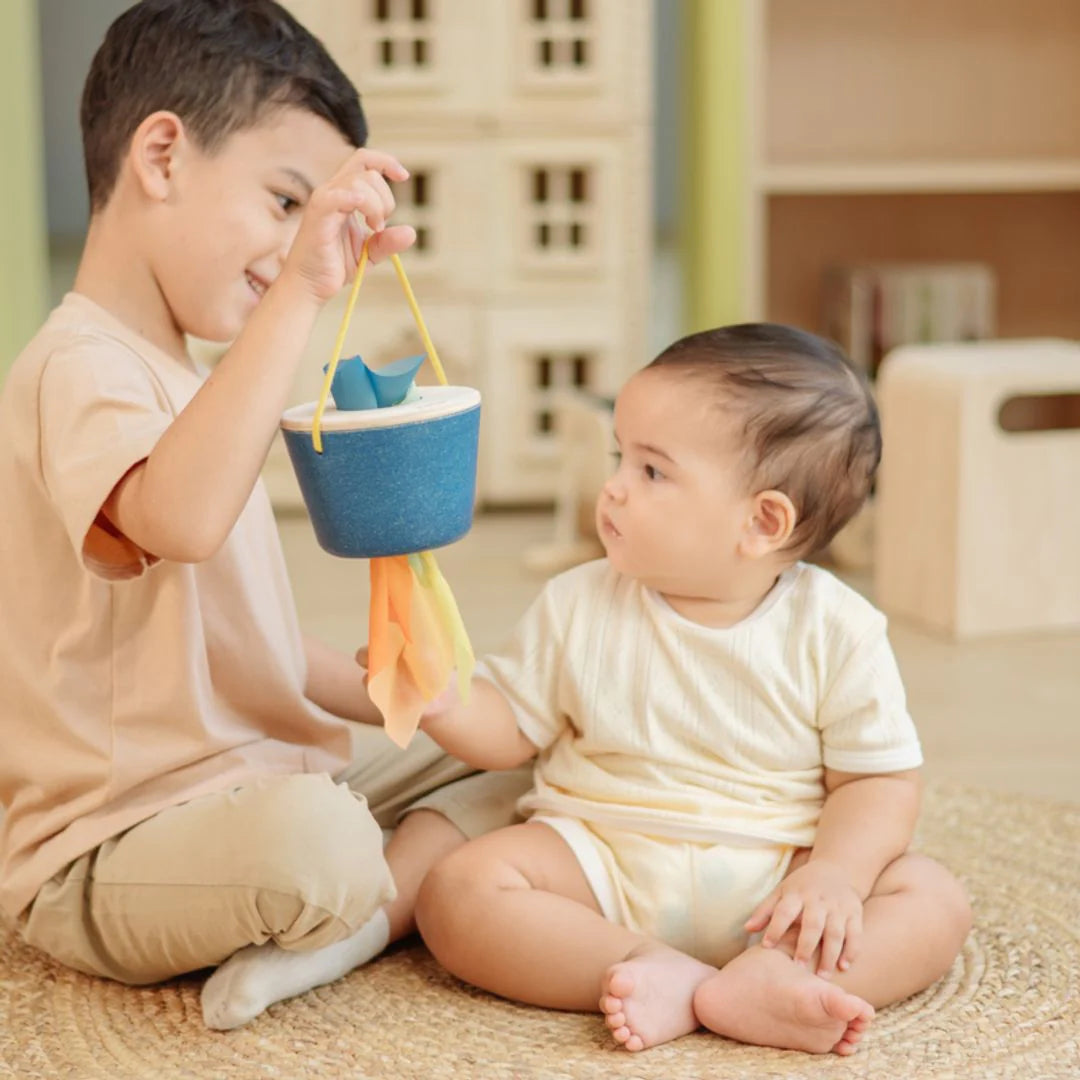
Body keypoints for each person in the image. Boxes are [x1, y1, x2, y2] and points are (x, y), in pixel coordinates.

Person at [0, 0, 528, 1032]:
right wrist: (299, 292)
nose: (295, 246)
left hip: (259, 777)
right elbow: (179, 521)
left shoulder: (196, 381)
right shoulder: (78, 364)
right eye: (284, 200)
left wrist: (408, 696)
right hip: (111, 845)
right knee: (317, 846)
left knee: (525, 751)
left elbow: (261, 652)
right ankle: (365, 896)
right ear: (162, 155)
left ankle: (355, 921)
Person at [405, 324, 973, 1055]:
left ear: (762, 522)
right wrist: (444, 702)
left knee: (932, 900)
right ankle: (642, 965)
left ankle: (772, 974)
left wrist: (834, 873)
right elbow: (511, 729)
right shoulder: (578, 601)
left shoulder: (837, 627)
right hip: (601, 854)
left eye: (652, 471)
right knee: (457, 890)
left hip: (780, 872)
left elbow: (878, 779)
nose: (612, 486)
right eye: (621, 457)